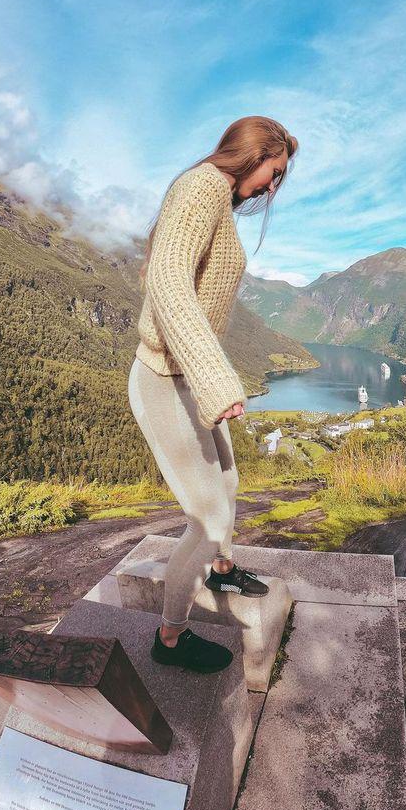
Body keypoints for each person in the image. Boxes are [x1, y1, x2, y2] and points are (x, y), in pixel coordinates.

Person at [128, 116, 299, 673]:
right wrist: (216, 379)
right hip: (166, 380)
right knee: (207, 519)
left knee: (228, 482)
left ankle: (222, 572)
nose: (273, 185)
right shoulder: (201, 187)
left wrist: (206, 377)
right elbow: (168, 282)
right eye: (275, 171)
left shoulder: (217, 198)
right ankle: (171, 638)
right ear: (254, 155)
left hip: (187, 378)